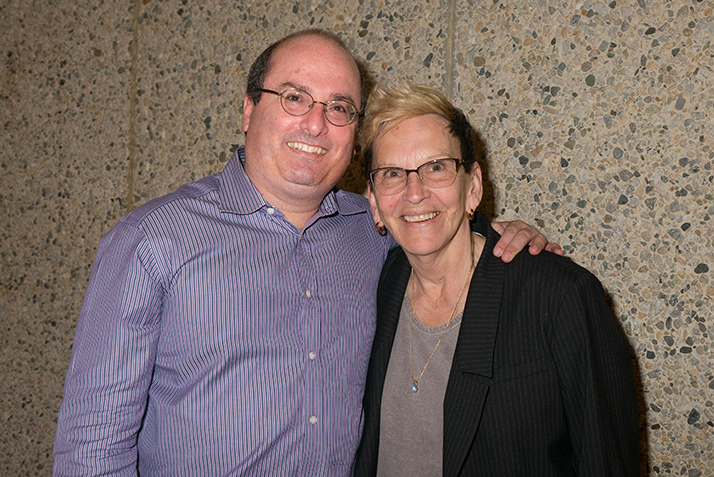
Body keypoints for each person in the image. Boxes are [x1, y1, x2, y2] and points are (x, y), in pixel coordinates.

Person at [53, 30, 560, 476]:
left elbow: (440, 228)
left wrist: (499, 234)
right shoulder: (153, 239)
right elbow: (92, 447)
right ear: (249, 109)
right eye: (295, 97)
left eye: (339, 107)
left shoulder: (376, 231)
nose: (316, 124)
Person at [353, 83, 640, 476]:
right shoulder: (376, 283)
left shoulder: (560, 297)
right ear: (373, 200)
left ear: (473, 187)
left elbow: (607, 463)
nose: (414, 192)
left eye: (436, 167)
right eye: (391, 174)